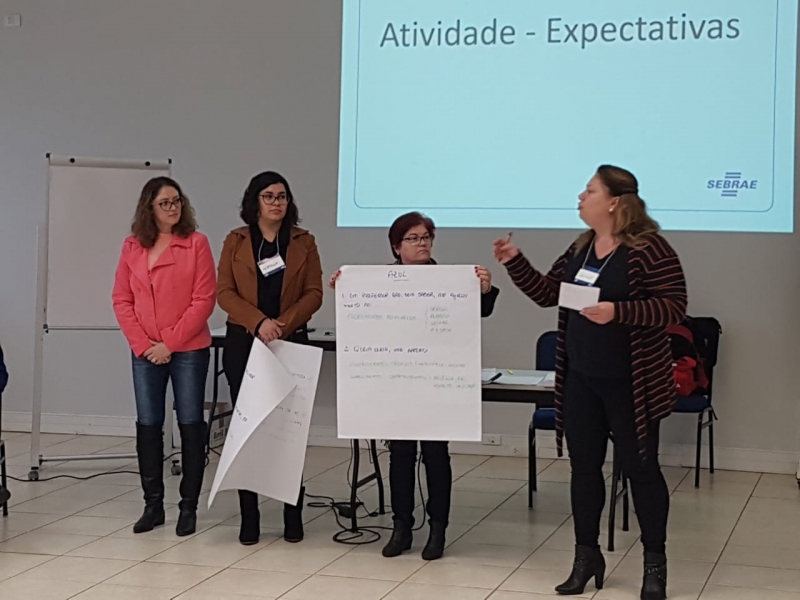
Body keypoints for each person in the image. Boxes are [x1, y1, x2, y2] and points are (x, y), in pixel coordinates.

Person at [493, 165, 686, 600]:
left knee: (641, 471)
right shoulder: (581, 249)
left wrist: (620, 312)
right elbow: (549, 294)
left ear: (615, 201)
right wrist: (515, 262)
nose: (581, 196)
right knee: (583, 470)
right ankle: (586, 557)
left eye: (590, 190)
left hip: (631, 383)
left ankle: (654, 565)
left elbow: (674, 306)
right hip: (580, 378)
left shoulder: (649, 249)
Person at [329, 211, 499, 561]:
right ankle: (401, 526)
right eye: (413, 238)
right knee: (401, 455)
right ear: (397, 247)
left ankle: (438, 529)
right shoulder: (380, 283)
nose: (422, 243)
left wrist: (484, 289)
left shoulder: (451, 280)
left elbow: (478, 311)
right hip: (397, 384)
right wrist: (343, 288)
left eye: (426, 237)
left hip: (436, 384)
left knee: (436, 456)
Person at [217, 170, 323, 546]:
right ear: (255, 201)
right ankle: (250, 515)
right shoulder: (236, 240)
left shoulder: (304, 241)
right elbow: (224, 293)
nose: (277, 202)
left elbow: (314, 293)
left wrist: (281, 324)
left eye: (282, 196)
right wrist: (258, 322)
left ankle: (292, 512)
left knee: (288, 432)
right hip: (244, 342)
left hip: (290, 341)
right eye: (269, 196)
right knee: (250, 432)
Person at [112, 177, 216, 537]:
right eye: (165, 203)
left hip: (187, 349)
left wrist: (168, 343)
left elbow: (203, 300)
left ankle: (188, 507)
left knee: (190, 424)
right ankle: (153, 505)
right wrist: (143, 345)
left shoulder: (196, 243)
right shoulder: (132, 246)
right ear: (149, 208)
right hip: (144, 351)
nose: (174, 208)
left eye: (177, 201)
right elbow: (121, 300)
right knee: (148, 425)